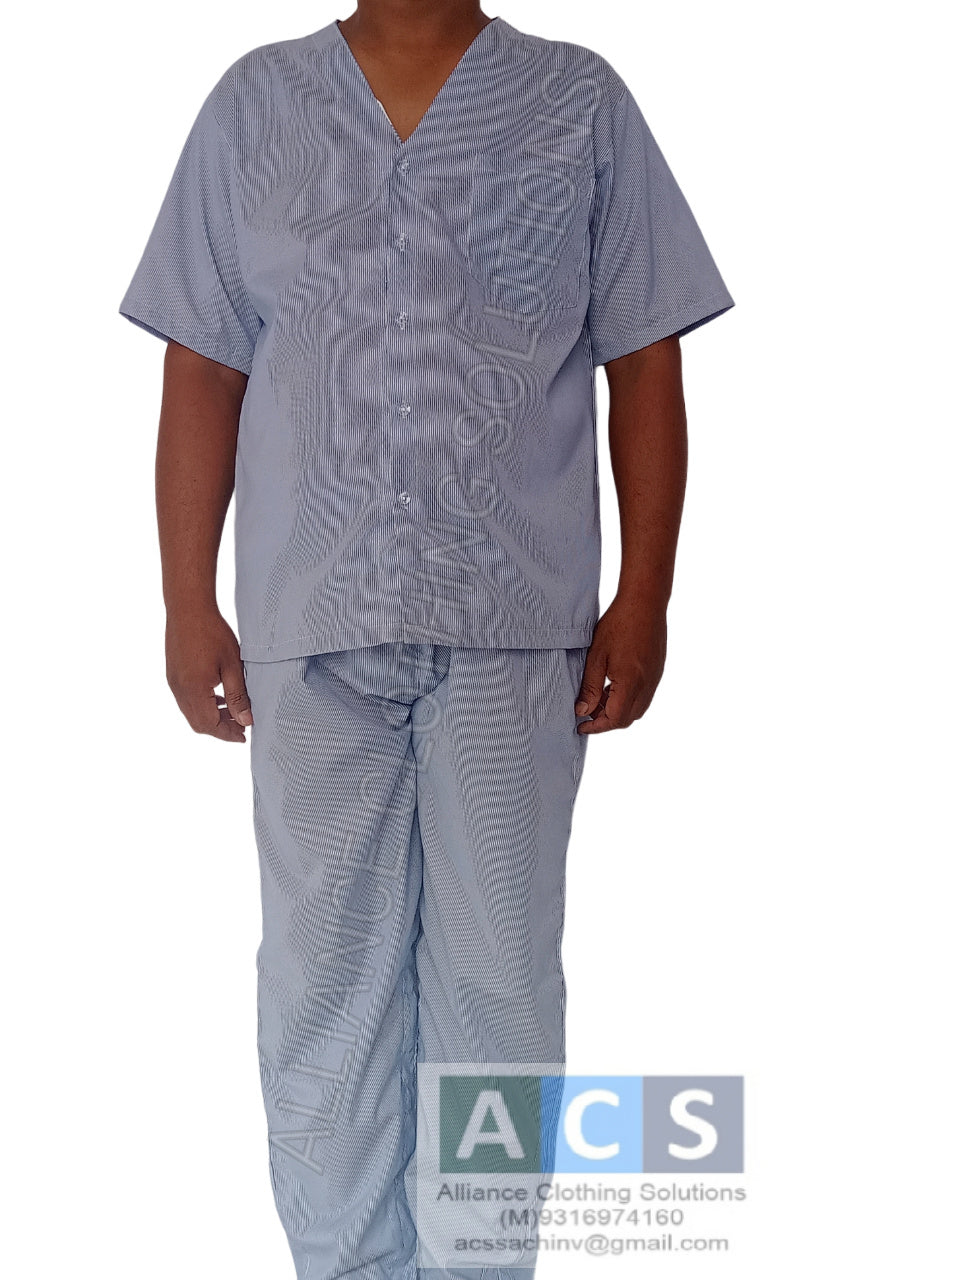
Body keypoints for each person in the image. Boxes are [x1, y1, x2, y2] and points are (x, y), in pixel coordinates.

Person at [118, 3, 735, 1276]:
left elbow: (645, 359)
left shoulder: (577, 102)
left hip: (514, 626)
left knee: (499, 985)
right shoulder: (254, 105)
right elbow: (203, 368)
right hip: (311, 621)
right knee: (321, 984)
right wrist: (185, 597)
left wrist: (645, 594)